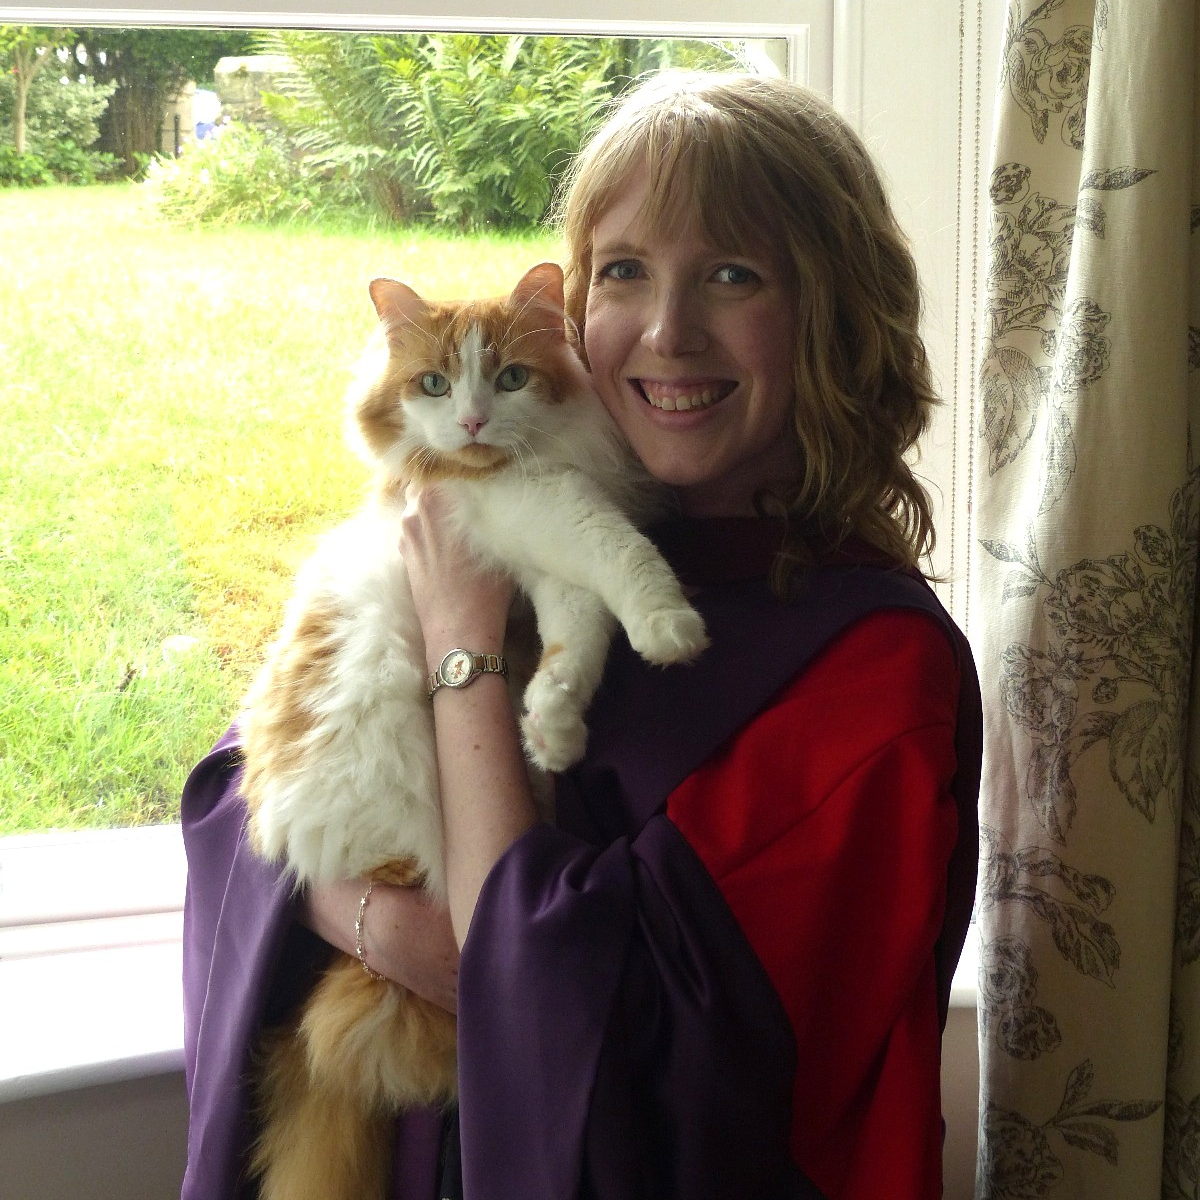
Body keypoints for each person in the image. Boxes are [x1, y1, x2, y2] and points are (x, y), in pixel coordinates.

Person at [179, 70, 981, 1200]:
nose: (667, 332)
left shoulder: (870, 673)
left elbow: (578, 1015)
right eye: (623, 271)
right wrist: (367, 909)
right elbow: (238, 792)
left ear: (834, 318)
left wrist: (462, 653)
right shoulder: (525, 518)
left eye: (734, 275)